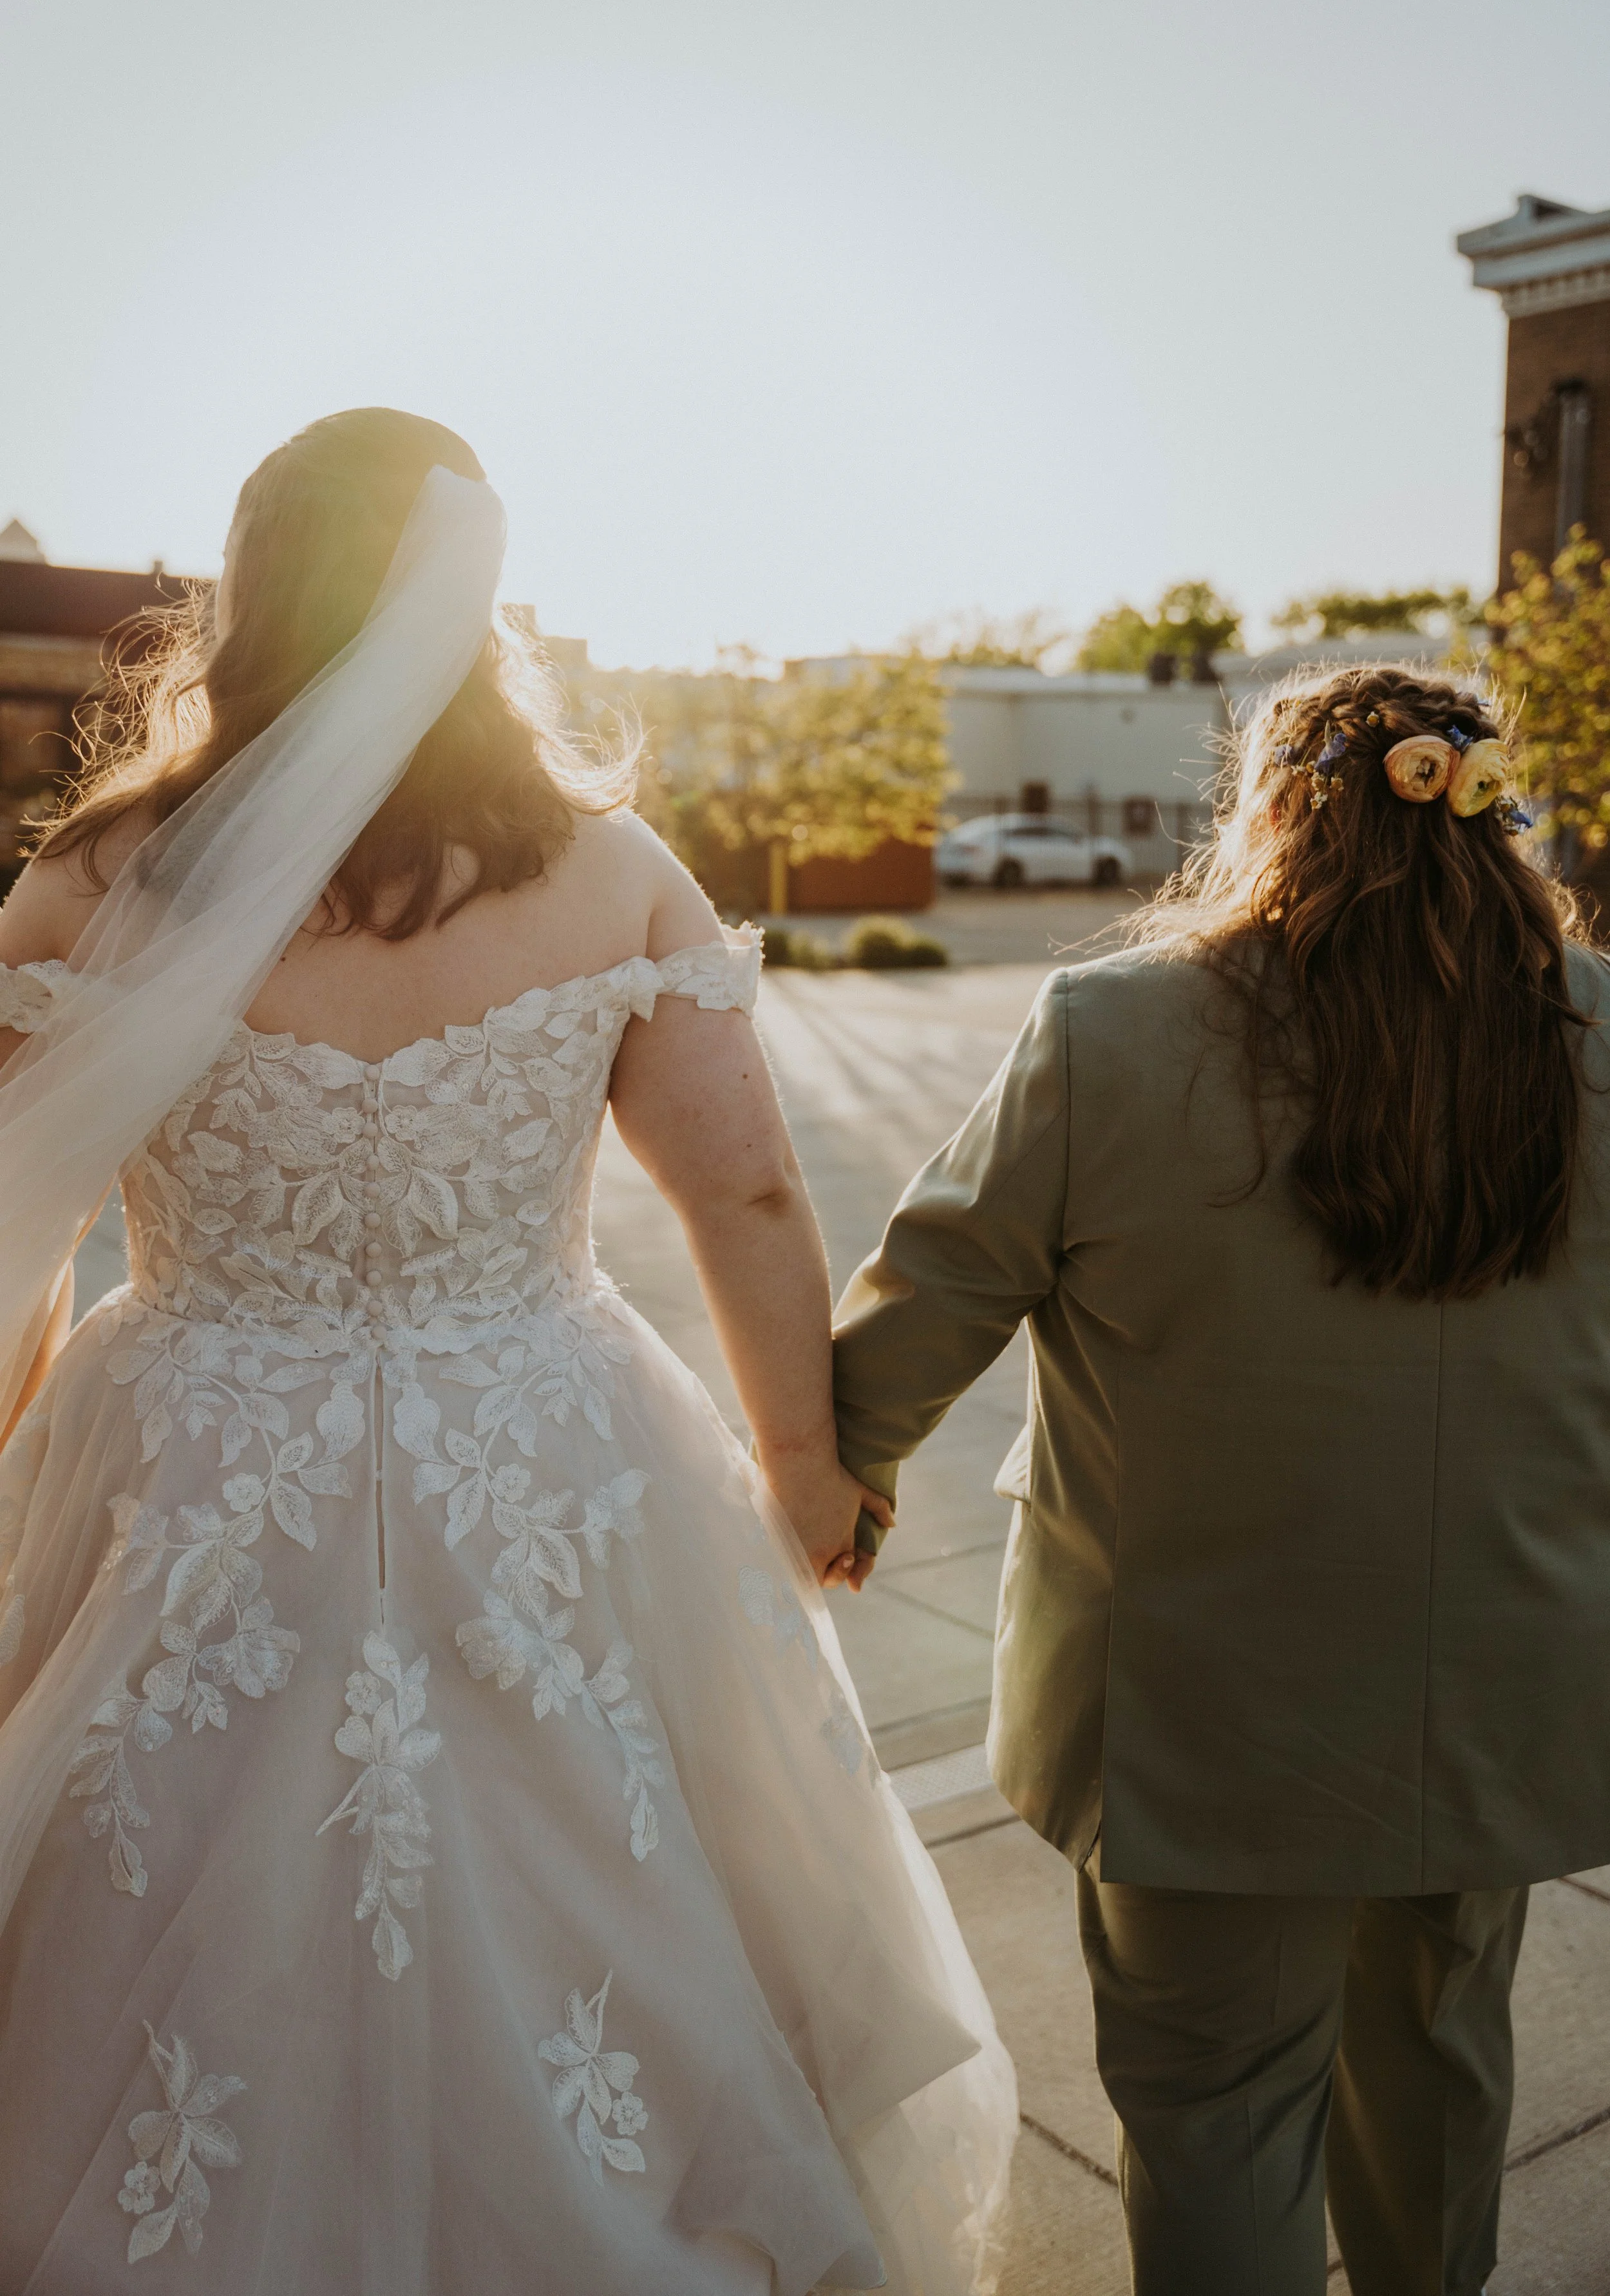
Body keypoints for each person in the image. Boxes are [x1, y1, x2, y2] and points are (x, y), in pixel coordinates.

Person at [0, 407, 1016, 2295]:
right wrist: (804, 1461)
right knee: (617, 1877)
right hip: (539, 1436)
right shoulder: (611, 870)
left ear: (248, 588)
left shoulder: (90, 881)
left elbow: (14, 1209)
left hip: (189, 1448)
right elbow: (753, 1199)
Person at [831, 665, 1610, 2296]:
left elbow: (928, 1303)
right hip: (1497, 1678)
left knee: (1213, 2111)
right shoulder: (1598, 1032)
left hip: (1195, 1707)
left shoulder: (1108, 1030)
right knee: (1441, 2068)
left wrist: (835, 1470)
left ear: (1268, 812)